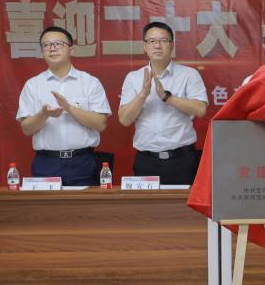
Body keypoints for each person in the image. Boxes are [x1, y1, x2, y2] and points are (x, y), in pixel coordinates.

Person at [16, 26, 110, 186]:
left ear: (71, 49)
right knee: (45, 204)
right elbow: (26, 129)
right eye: (46, 45)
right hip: (46, 162)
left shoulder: (90, 82)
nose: (52, 48)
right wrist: (44, 114)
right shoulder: (33, 85)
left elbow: (101, 124)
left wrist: (69, 108)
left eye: (58, 44)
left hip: (83, 162)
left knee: (85, 203)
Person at [118, 21, 208, 185]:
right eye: (152, 41)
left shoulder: (189, 74)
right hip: (146, 161)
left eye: (163, 41)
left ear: (172, 45)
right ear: (145, 46)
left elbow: (201, 109)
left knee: (184, 203)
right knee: (146, 203)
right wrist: (143, 94)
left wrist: (167, 98)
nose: (157, 45)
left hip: (183, 160)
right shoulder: (133, 78)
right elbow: (124, 119)